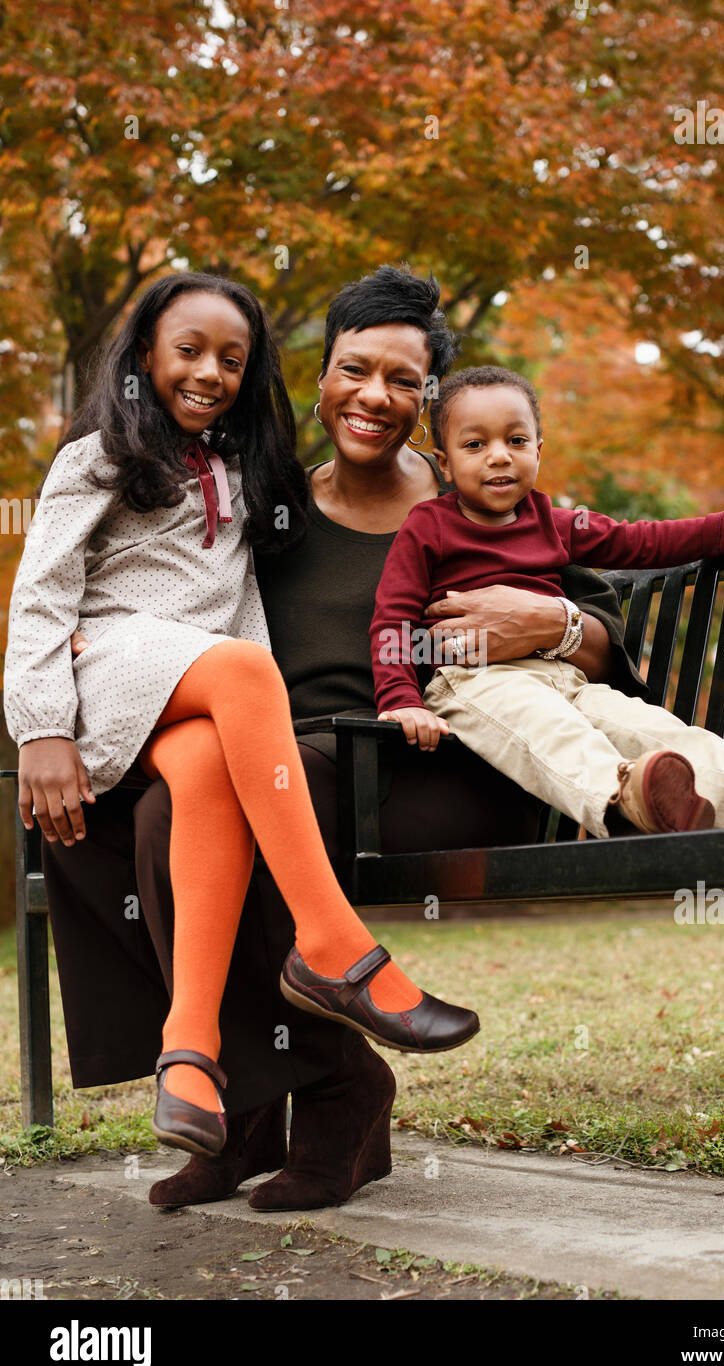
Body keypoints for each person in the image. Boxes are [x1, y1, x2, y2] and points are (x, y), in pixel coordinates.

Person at [35, 267, 634, 1213]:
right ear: (319, 381)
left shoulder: (474, 497)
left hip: (434, 761)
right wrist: (99, 643)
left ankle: (336, 1097)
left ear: (430, 399)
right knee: (161, 814)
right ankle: (243, 1115)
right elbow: (175, 593)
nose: (376, 397)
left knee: (225, 814)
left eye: (404, 380)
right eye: (356, 371)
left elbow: (602, 635)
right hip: (284, 757)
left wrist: (552, 626)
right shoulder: (266, 507)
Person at [4, 271, 480, 1167]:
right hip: (110, 661)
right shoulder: (98, 455)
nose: (210, 373)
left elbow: (240, 605)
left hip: (198, 685)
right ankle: (336, 947)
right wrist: (40, 727)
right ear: (145, 354)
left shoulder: (246, 473)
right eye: (188, 352)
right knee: (240, 670)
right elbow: (41, 597)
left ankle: (191, 1053)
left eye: (233, 359)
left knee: (212, 779)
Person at [372, 366, 724, 834]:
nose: (499, 456)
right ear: (445, 462)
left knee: (648, 726)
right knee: (555, 734)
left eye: (516, 441)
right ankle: (626, 796)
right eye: (476, 444)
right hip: (475, 680)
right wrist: (400, 700)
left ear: (539, 451)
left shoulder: (552, 521)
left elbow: (639, 540)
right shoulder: (428, 526)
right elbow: (391, 617)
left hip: (564, 674)